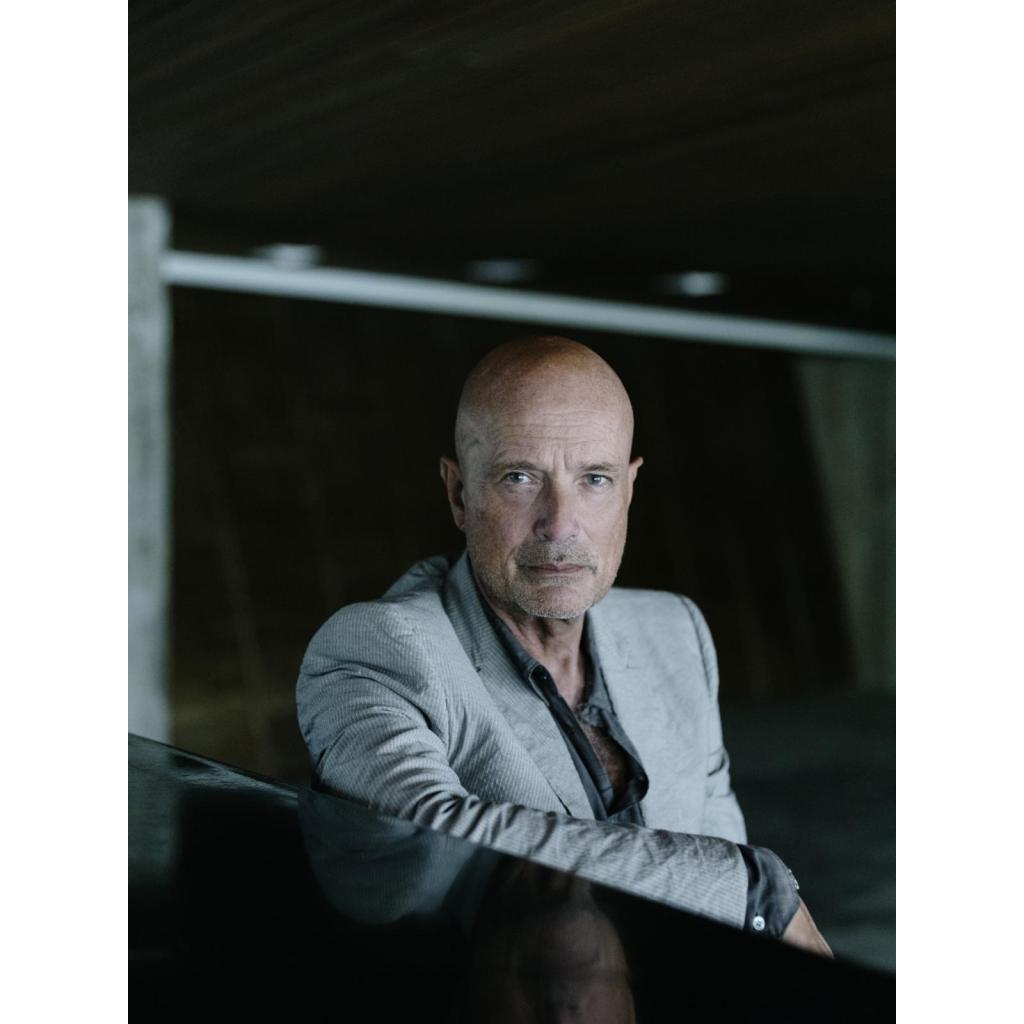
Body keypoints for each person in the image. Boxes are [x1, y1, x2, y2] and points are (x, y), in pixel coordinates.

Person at [297, 336, 831, 955]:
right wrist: (742, 884)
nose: (560, 524)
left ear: (629, 488)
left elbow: (727, 912)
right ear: (459, 493)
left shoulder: (674, 632)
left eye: (594, 479)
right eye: (520, 478)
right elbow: (427, 837)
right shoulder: (376, 651)